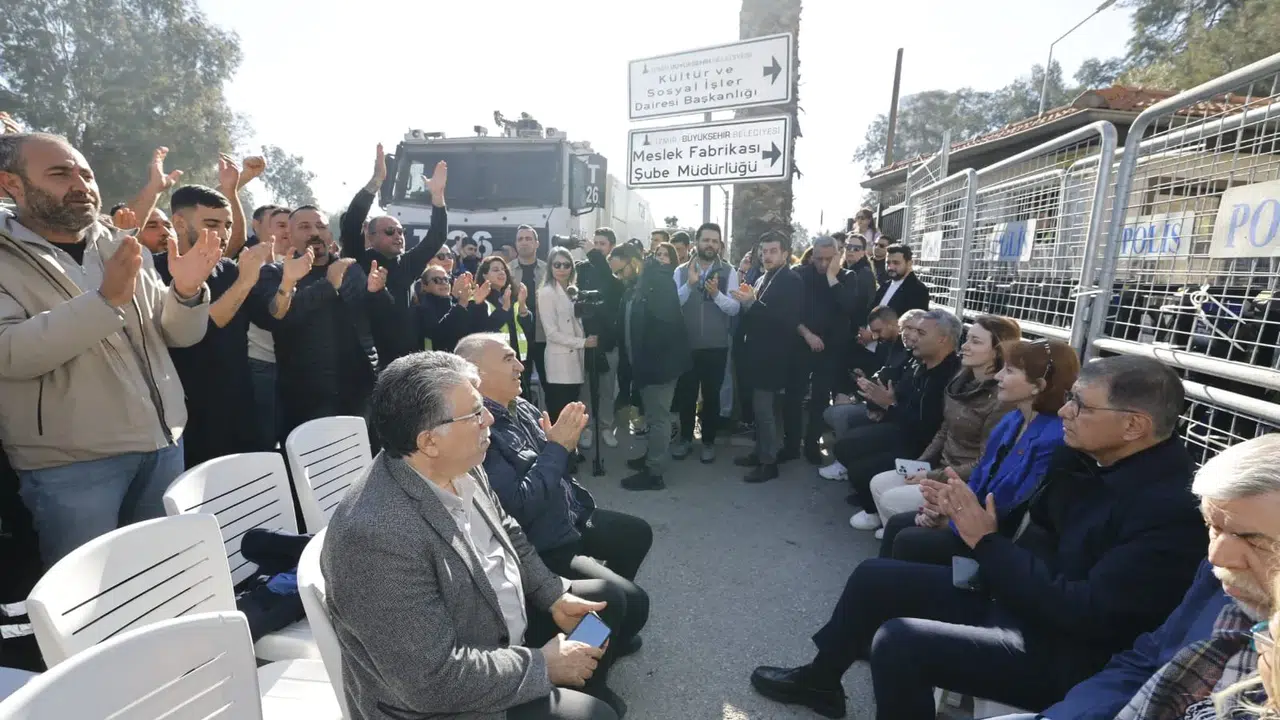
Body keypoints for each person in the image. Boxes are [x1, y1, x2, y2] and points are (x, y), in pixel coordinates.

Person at [750, 355, 1206, 720]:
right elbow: (1028, 530)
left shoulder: (1170, 509)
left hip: (1063, 648)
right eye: (1070, 398)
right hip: (1018, 596)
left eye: (1081, 405)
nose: (1065, 410)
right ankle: (821, 681)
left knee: (899, 642)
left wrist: (985, 542)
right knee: (874, 577)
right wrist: (959, 512)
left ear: (1134, 425)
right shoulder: (1085, 457)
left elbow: (1084, 614)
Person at [322, 352, 623, 719]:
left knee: (606, 604)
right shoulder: (375, 537)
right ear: (429, 441)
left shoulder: (459, 462)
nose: (490, 420)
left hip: (497, 631)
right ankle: (573, 691)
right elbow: (430, 682)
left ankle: (580, 681)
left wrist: (553, 595)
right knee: (596, 715)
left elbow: (507, 531)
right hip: (448, 698)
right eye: (476, 413)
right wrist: (543, 666)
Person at [0, 135, 221, 565]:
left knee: (159, 576)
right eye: (60, 174)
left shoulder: (118, 243)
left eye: (86, 174)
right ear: (12, 184)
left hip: (162, 446)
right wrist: (104, 303)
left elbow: (176, 335)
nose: (81, 185)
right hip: (71, 466)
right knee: (89, 595)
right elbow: (9, 353)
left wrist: (187, 292)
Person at [989, 434, 1280, 720]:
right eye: (1212, 527)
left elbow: (1087, 610)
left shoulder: (1161, 509)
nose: (1216, 556)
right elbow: (1147, 658)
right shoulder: (1220, 577)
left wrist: (986, 543)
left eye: (1252, 540)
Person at [460, 333, 651, 658]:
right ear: (478, 373)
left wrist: (564, 445)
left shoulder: (520, 406)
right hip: (544, 542)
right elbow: (519, 507)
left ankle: (607, 628)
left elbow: (557, 462)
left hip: (568, 515)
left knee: (636, 535)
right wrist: (558, 447)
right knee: (627, 601)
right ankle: (585, 662)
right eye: (508, 359)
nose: (520, 365)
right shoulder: (482, 432)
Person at [879, 338, 1076, 563]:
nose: (998, 376)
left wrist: (953, 520)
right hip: (974, 517)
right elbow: (981, 476)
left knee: (908, 540)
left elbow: (1012, 510)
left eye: (1009, 371)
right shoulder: (1013, 419)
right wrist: (946, 507)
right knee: (898, 525)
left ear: (1038, 385)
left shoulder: (1054, 439)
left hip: (997, 540)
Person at [860, 315, 1021, 537]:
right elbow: (944, 430)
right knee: (878, 483)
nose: (964, 346)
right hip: (941, 467)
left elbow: (985, 463)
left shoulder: (1001, 400)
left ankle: (912, 539)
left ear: (998, 351)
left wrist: (931, 475)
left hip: (964, 482)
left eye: (975, 341)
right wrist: (919, 465)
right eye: (967, 339)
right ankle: (900, 535)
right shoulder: (961, 380)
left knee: (890, 498)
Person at [838, 307, 962, 524]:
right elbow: (895, 397)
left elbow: (929, 429)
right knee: (847, 445)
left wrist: (890, 405)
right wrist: (883, 404)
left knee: (860, 469)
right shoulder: (919, 363)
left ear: (942, 339)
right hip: (903, 430)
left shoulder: (952, 378)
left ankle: (879, 511)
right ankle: (873, 501)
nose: (913, 337)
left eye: (921, 333)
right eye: (912, 330)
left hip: (925, 448)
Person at [341, 146, 448, 368]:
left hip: (403, 362)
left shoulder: (407, 264)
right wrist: (376, 182)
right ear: (371, 236)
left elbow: (436, 237)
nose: (398, 236)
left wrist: (437, 197)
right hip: (365, 361)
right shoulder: (359, 259)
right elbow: (352, 222)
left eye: (401, 231)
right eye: (390, 231)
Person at [790, 234, 878, 465]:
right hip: (802, 343)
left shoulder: (848, 277)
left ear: (837, 256)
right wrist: (807, 334)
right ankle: (791, 444)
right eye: (818, 258)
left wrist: (832, 276)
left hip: (832, 348)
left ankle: (812, 444)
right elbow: (791, 312)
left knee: (820, 398)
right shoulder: (800, 274)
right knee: (794, 395)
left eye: (828, 259)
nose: (822, 264)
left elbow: (849, 306)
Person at [731, 231, 805, 483]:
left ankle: (768, 463)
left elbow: (785, 319)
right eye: (763, 251)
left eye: (773, 251)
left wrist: (751, 303)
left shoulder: (791, 280)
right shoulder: (764, 277)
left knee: (765, 412)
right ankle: (759, 452)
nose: (767, 256)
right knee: (758, 409)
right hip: (757, 353)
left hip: (774, 356)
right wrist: (747, 302)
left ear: (785, 253)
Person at [619, 252, 692, 491]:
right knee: (652, 416)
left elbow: (663, 330)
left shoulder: (659, 283)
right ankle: (651, 457)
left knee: (659, 418)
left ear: (634, 263)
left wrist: (646, 361)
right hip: (647, 365)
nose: (619, 275)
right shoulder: (643, 284)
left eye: (621, 270)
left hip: (659, 367)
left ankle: (654, 473)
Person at [672, 222, 740, 464]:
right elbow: (673, 304)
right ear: (697, 243)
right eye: (706, 240)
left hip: (716, 347)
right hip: (686, 346)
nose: (710, 245)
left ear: (720, 245)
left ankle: (708, 442)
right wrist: (689, 285)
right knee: (687, 396)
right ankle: (685, 439)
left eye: (714, 241)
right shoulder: (681, 271)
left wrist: (716, 295)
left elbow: (734, 308)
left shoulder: (729, 271)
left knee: (712, 397)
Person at [575, 229, 626, 450]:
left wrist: (594, 255)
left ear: (611, 247)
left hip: (608, 341)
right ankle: (586, 427)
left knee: (606, 389)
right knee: (585, 389)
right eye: (594, 243)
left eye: (601, 244)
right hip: (585, 340)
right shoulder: (581, 269)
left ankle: (606, 426)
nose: (596, 247)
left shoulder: (614, 273)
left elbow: (609, 282)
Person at [539, 248, 597, 422]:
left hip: (576, 361)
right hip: (559, 363)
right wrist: (583, 342)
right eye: (557, 265)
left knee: (572, 412)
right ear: (550, 267)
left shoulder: (573, 291)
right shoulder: (547, 292)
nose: (562, 269)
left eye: (566, 265)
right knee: (559, 413)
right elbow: (551, 333)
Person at [871, 242, 930, 316]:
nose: (890, 267)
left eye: (896, 263)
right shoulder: (885, 285)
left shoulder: (918, 290)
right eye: (888, 263)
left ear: (909, 263)